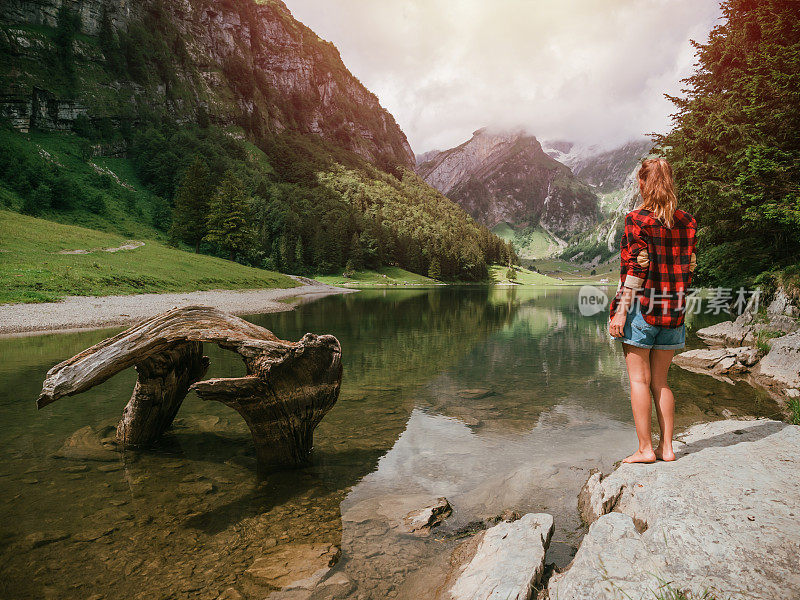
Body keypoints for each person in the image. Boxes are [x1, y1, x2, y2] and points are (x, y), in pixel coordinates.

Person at [608, 158, 697, 464]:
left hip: (642, 309)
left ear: (642, 183)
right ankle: (668, 448)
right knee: (661, 382)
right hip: (674, 310)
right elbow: (689, 268)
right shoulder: (688, 222)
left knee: (638, 381)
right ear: (670, 182)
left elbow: (636, 269)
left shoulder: (638, 219)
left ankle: (646, 449)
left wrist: (620, 312)